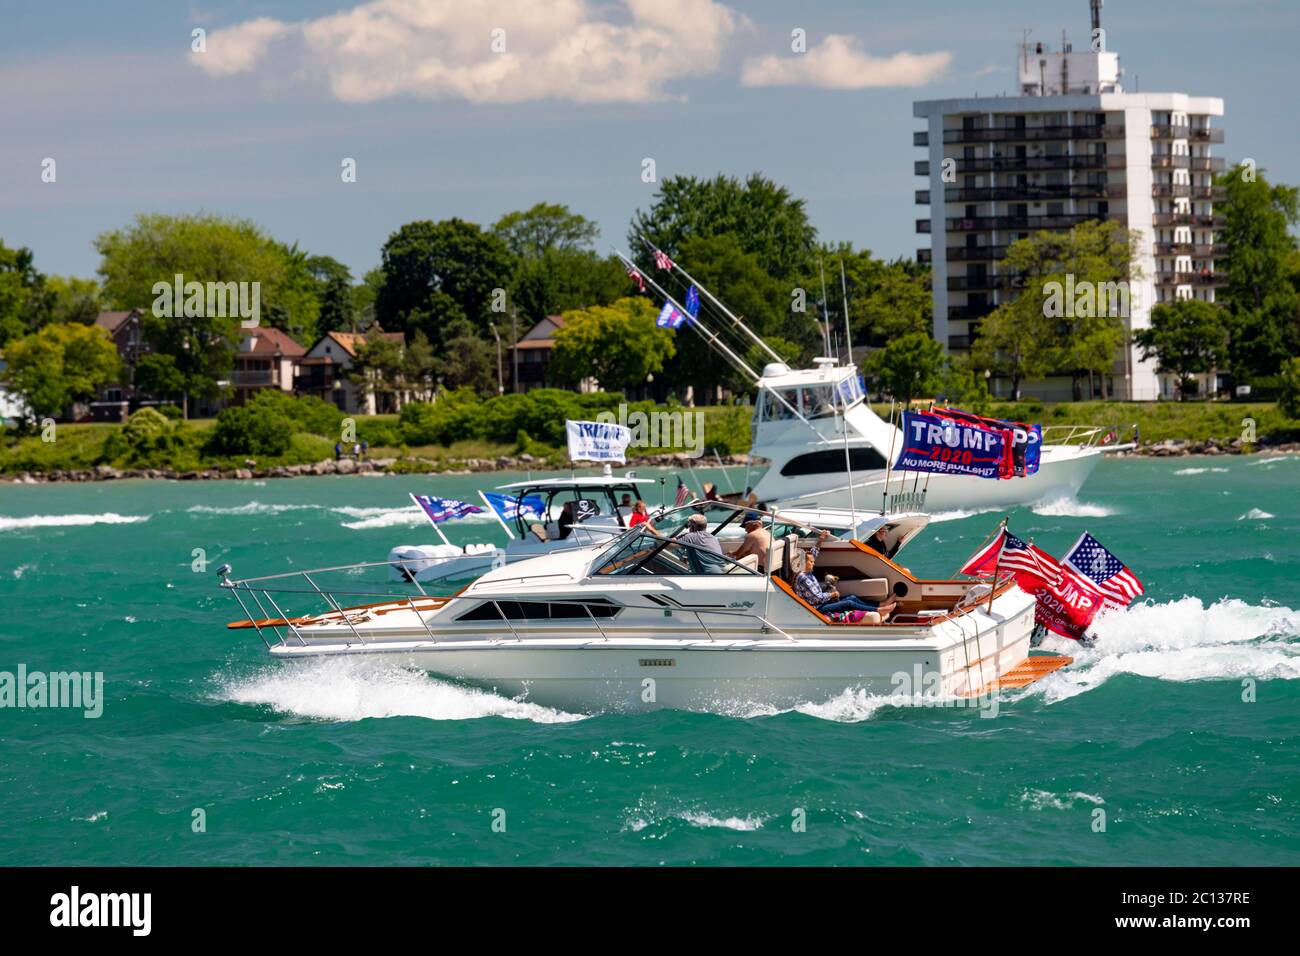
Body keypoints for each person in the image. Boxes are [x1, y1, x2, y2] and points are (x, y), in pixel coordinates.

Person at [792, 530, 898, 620]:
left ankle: (881, 604)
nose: (813, 563)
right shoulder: (803, 578)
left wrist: (821, 539)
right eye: (811, 562)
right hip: (816, 608)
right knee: (848, 604)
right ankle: (879, 610)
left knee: (852, 597)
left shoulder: (807, 570)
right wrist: (832, 595)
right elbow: (818, 598)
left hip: (822, 603)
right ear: (804, 562)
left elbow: (814, 553)